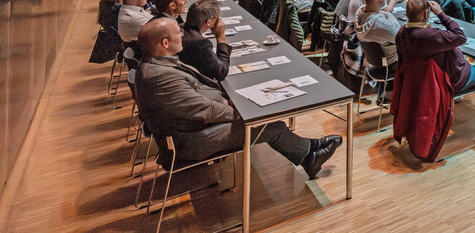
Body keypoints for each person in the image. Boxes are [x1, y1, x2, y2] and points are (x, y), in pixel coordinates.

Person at [135, 19, 341, 180]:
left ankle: (311, 148)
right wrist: (240, 112)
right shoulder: (160, 76)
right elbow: (204, 111)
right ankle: (310, 156)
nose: (182, 34)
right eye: (177, 33)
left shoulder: (157, 64)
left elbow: (198, 94)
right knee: (269, 126)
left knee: (265, 120)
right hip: (190, 141)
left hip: (189, 128)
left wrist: (229, 99)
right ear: (165, 43)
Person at [354, 0, 402, 77]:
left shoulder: (360, 12)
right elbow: (400, 36)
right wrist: (392, 1)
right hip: (392, 64)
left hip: (374, 62)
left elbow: (380, 12)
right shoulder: (379, 24)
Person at [178, 0, 232, 81]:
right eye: (217, 18)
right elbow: (222, 72)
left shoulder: (179, 29)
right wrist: (221, 38)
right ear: (209, 22)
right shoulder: (201, 44)